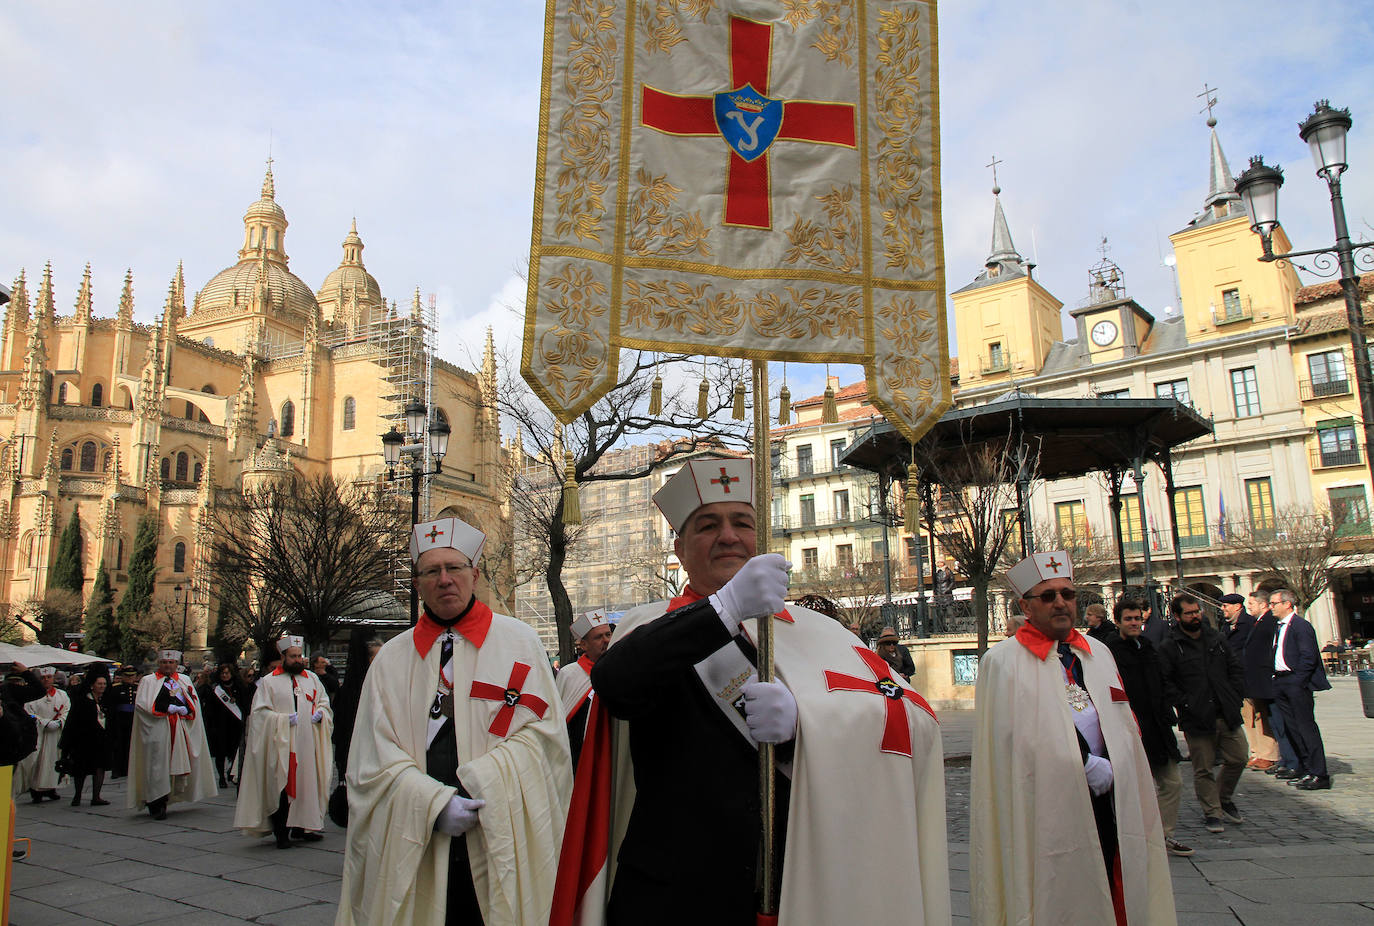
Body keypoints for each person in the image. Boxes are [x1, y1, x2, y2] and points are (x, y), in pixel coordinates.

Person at [558, 459, 949, 926]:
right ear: (680, 550)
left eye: (742, 522)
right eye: (708, 525)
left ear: (759, 539)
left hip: (802, 882)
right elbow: (618, 684)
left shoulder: (820, 631)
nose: (728, 535)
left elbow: (911, 715)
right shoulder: (649, 628)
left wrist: (808, 724)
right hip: (678, 896)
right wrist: (726, 608)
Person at [338, 516, 571, 926]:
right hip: (419, 834)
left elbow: (546, 737)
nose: (445, 579)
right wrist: (433, 803)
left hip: (499, 826)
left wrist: (487, 782)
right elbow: (372, 755)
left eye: (454, 568)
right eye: (431, 571)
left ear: (474, 575)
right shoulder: (392, 658)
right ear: (417, 584)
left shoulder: (520, 641)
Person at [972, 552, 1174, 926]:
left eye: (1068, 594)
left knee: (1117, 874)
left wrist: (1122, 761)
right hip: (1046, 797)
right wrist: (1081, 761)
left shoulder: (1097, 652)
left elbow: (1120, 717)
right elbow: (1014, 737)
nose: (1061, 602)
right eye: (1048, 596)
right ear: (1025, 606)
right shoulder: (1003, 661)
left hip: (1111, 792)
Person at [1156, 594, 1247, 834]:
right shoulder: (1171, 645)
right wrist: (1184, 704)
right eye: (1189, 613)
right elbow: (1166, 682)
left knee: (1238, 757)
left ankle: (1223, 797)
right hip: (1196, 714)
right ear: (1177, 617)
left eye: (1197, 611)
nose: (1195, 616)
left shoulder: (1216, 638)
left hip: (1225, 709)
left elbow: (1235, 667)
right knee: (1204, 767)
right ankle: (1212, 812)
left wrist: (1235, 694)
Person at [1106, 597, 1191, 857]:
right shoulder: (1110, 652)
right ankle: (1131, 836)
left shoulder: (1149, 647)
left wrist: (1171, 707)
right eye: (1129, 619)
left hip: (1158, 726)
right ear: (1118, 621)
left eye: (1137, 619)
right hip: (1131, 728)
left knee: (1172, 782)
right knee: (1130, 788)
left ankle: (1163, 834)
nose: (1134, 623)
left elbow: (1163, 680)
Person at [235, 636, 333, 848]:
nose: (297, 660)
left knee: (307, 784)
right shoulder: (269, 682)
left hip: (307, 742)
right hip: (282, 744)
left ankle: (304, 826)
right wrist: (281, 719)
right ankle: (282, 831)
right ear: (283, 657)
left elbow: (324, 703)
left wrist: (321, 714)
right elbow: (259, 714)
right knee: (282, 785)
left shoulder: (312, 679)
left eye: (299, 656)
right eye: (293, 657)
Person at [127, 649, 217, 819]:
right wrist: (166, 708)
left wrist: (185, 709)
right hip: (158, 730)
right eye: (164, 663)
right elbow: (142, 704)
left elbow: (193, 702)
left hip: (179, 729)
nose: (167, 665)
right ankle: (156, 801)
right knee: (156, 766)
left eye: (170, 663)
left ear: (176, 664)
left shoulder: (183, 680)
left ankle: (167, 797)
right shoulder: (148, 681)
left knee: (174, 766)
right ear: (159, 664)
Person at [1268, 589, 1332, 790]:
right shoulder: (1279, 627)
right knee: (1292, 728)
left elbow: (1308, 656)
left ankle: (1319, 773)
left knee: (1305, 727)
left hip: (1295, 682)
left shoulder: (1300, 626)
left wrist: (1298, 680)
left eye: (1274, 603)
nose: (1271, 607)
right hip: (1280, 681)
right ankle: (1304, 768)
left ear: (1287, 604)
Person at [557, 609, 612, 768]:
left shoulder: (620, 670)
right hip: (579, 757)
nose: (606, 640)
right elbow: (560, 719)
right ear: (583, 644)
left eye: (608, 635)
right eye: (598, 637)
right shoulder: (569, 674)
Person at [59, 666, 114, 806]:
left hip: (101, 740)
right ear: (92, 685)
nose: (102, 686)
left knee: (99, 767)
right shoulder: (83, 701)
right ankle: (77, 796)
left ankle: (96, 796)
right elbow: (74, 722)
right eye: (99, 684)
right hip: (84, 740)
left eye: (104, 684)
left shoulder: (103, 701)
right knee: (81, 769)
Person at [17, 667, 69, 803]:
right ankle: (36, 790)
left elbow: (67, 710)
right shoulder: (32, 696)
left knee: (54, 760)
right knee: (38, 762)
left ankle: (52, 788)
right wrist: (44, 722)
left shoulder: (61, 695)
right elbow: (29, 713)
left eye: (49, 677)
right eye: (43, 678)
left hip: (56, 734)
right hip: (39, 732)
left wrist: (60, 721)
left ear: (53, 678)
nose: (46, 680)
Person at [199, 662, 251, 788]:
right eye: (222, 673)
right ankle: (221, 777)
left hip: (235, 725)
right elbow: (209, 709)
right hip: (219, 725)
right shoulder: (215, 689)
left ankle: (231, 772)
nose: (225, 675)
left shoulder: (239, 687)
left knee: (234, 751)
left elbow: (245, 704)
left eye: (227, 673)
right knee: (220, 753)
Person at [104, 665, 140, 779]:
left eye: (132, 676)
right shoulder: (115, 688)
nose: (129, 678)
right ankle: (117, 769)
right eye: (127, 676)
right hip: (119, 719)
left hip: (133, 719)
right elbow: (110, 704)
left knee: (130, 744)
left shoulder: (138, 688)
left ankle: (128, 768)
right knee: (118, 744)